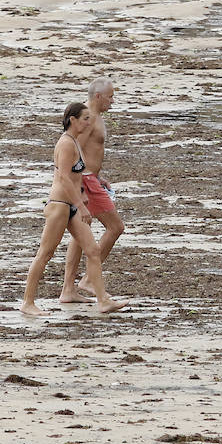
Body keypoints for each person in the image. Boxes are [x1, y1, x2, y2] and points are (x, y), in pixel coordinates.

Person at [21, 102, 125, 316]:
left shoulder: (75, 142)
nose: (89, 122)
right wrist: (81, 204)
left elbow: (78, 175)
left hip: (73, 207)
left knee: (93, 251)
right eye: (85, 118)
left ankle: (103, 300)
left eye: (90, 118)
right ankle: (28, 303)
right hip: (60, 206)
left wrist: (91, 189)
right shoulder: (66, 143)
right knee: (46, 253)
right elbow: (65, 178)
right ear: (73, 120)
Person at [60, 76, 125, 302]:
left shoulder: (96, 116)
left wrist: (99, 177)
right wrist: (84, 184)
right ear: (98, 96)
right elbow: (74, 147)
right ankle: (88, 279)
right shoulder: (88, 118)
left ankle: (68, 290)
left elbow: (88, 152)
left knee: (80, 234)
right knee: (116, 227)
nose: (113, 101)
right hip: (85, 182)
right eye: (110, 97)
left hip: (90, 179)